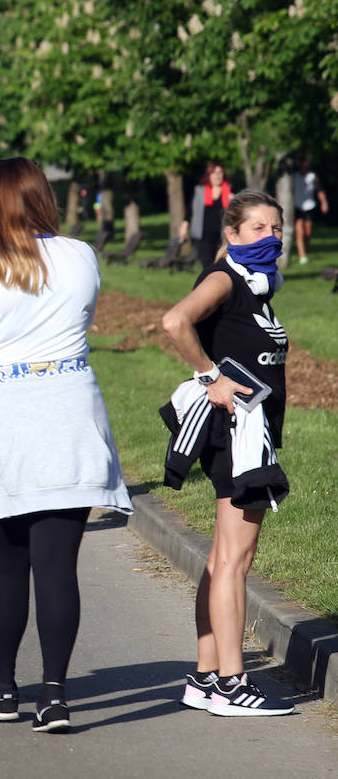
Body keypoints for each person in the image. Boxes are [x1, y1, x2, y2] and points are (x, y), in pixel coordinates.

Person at [0, 157, 132, 732]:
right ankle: (54, 693)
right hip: (71, 413)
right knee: (58, 569)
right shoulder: (82, 256)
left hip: (5, 419)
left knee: (6, 566)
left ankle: (4, 686)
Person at [161, 189, 294, 717]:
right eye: (258, 228)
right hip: (235, 435)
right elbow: (175, 322)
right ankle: (232, 684)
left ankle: (206, 676)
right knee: (235, 562)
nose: (272, 237)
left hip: (244, 431)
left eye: (277, 228)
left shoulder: (258, 286)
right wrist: (210, 376)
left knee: (221, 561)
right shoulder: (226, 279)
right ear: (232, 236)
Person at [180, 162, 232, 266]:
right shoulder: (199, 191)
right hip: (203, 236)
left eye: (220, 172)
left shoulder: (230, 191)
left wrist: (233, 200)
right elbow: (190, 209)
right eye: (214, 173)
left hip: (223, 237)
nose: (217, 175)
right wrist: (184, 226)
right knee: (207, 265)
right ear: (209, 175)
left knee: (221, 265)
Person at [293, 159, 328, 265]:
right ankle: (302, 256)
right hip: (297, 206)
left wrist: (324, 203)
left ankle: (305, 251)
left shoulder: (312, 176)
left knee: (308, 233)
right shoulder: (294, 176)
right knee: (300, 232)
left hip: (309, 206)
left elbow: (319, 190)